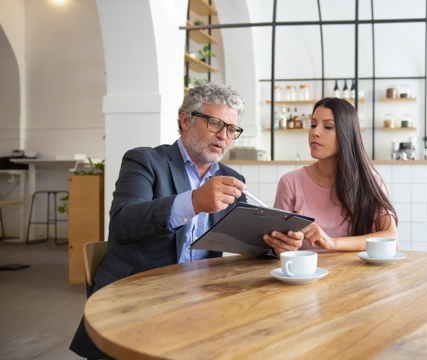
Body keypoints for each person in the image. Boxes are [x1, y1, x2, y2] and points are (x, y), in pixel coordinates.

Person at [70, 83, 303, 359]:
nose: (224, 137)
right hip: (137, 295)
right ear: (185, 120)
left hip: (202, 297)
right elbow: (123, 223)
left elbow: (243, 238)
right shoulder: (144, 160)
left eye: (231, 129)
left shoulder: (231, 178)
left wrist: (275, 245)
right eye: (216, 124)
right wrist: (193, 202)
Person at [268, 97, 398, 251]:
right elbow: (277, 244)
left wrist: (332, 242)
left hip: (359, 273)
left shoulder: (369, 181)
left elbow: (391, 239)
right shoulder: (290, 182)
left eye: (328, 127)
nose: (315, 132)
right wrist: (282, 246)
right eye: (313, 125)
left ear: (346, 134)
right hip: (307, 274)